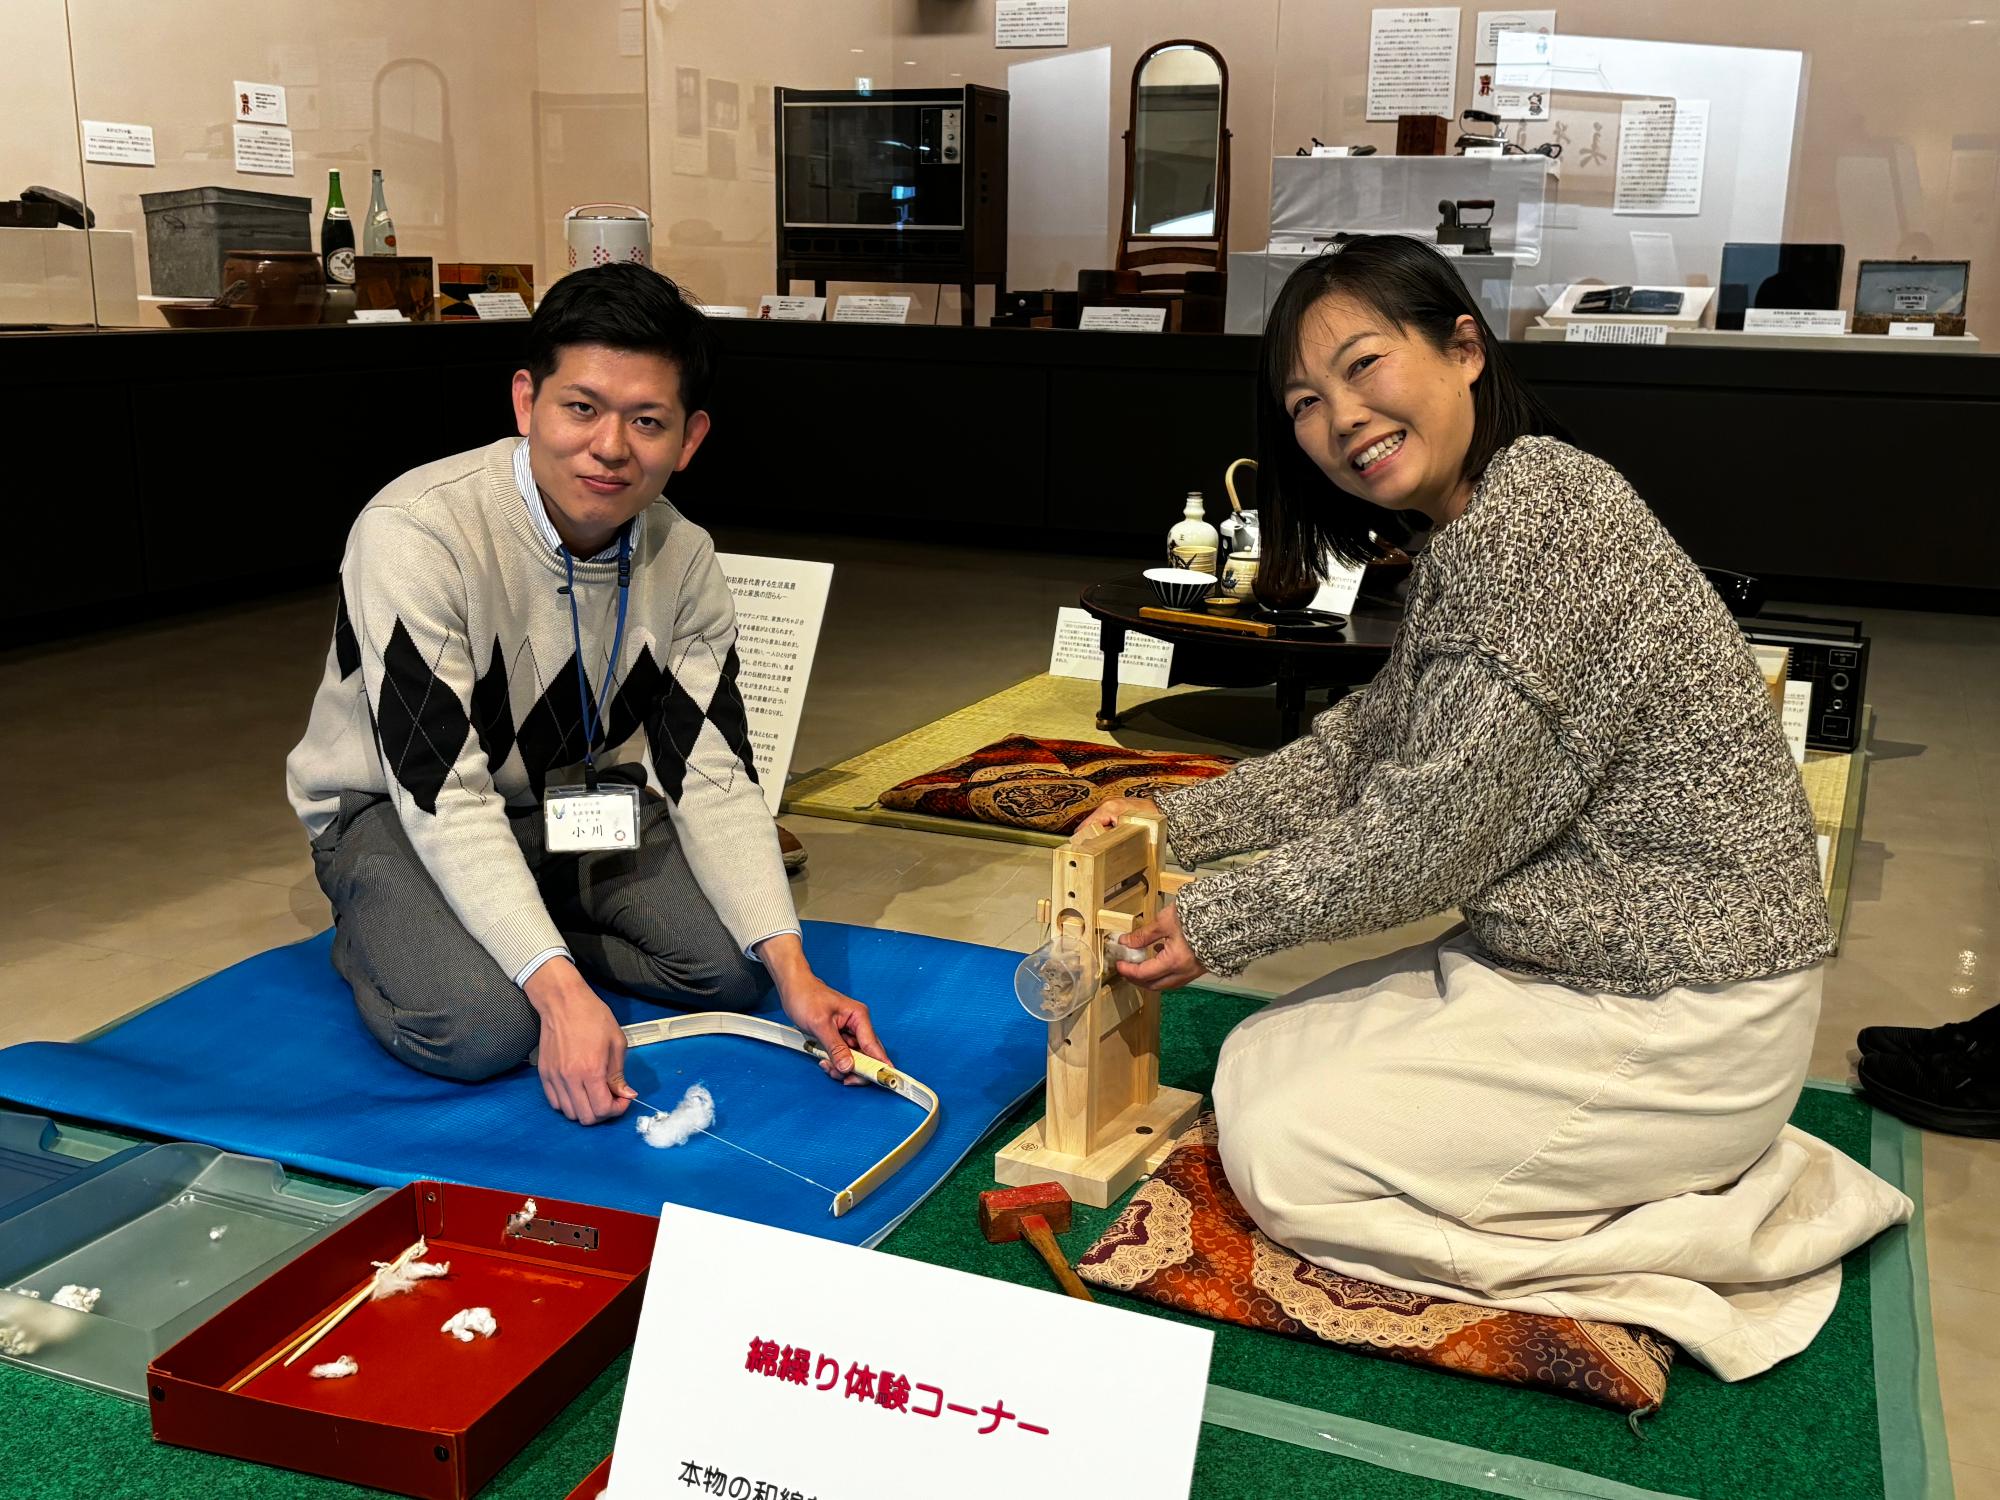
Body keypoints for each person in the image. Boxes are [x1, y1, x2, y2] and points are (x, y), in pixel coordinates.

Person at [1086, 236, 1909, 1380]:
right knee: (1260, 1058)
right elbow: (1365, 745)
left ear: (1462, 348)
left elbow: (1421, 843)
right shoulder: (1491, 514)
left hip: (1677, 1004)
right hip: (1567, 957)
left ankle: (1689, 1234)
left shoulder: (1534, 533)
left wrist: (1214, 919)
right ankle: (1644, 1172)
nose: (1342, 420)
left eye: (1366, 365)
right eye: (1307, 404)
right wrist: (1173, 822)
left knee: (1286, 1159)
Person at [286, 263, 884, 1125]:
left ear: (690, 438)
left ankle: (514, 919)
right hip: (392, 810)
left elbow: (710, 775)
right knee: (483, 1027)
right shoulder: (416, 533)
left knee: (730, 969)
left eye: (648, 421)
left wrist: (795, 970)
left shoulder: (684, 558)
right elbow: (442, 790)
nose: (611, 447)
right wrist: (559, 993)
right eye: (582, 408)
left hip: (562, 802)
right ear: (527, 403)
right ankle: (385, 919)